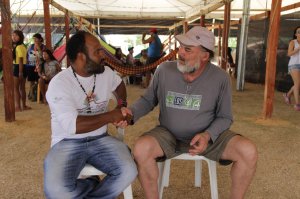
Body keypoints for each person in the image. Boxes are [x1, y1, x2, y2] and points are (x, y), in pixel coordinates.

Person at [123, 27, 258, 199]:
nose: (180, 52)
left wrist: (207, 135)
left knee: (248, 151)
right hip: (168, 135)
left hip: (207, 137)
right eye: (180, 47)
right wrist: (131, 114)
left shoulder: (220, 78)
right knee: (141, 149)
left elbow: (225, 117)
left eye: (187, 49)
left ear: (205, 56)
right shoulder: (164, 70)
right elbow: (148, 100)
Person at [44, 31, 137, 199]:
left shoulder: (106, 73)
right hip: (66, 142)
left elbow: (119, 85)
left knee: (129, 171)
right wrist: (111, 116)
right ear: (81, 57)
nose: (103, 55)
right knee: (56, 191)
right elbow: (73, 126)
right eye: (97, 51)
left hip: (100, 139)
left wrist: (121, 105)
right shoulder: (59, 84)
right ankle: (91, 184)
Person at [12, 30, 31, 111]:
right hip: (24, 66)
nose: (13, 37)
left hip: (18, 67)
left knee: (16, 88)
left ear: (20, 37)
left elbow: (20, 59)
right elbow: (25, 58)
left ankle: (17, 107)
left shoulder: (19, 47)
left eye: (16, 35)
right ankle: (24, 105)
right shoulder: (23, 46)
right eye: (13, 35)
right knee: (22, 88)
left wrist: (20, 72)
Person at [283, 26, 300, 111]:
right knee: (297, 84)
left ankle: (288, 94)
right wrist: (298, 49)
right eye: (299, 32)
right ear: (296, 34)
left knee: (297, 84)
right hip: (294, 65)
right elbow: (289, 54)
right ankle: (297, 104)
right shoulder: (293, 42)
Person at [27, 33, 46, 101]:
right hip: (31, 65)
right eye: (34, 38)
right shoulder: (31, 46)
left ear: (40, 39)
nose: (34, 40)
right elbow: (28, 55)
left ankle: (38, 96)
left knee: (38, 80)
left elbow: (43, 56)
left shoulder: (43, 47)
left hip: (39, 66)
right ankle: (31, 95)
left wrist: (38, 48)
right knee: (31, 81)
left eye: (36, 38)